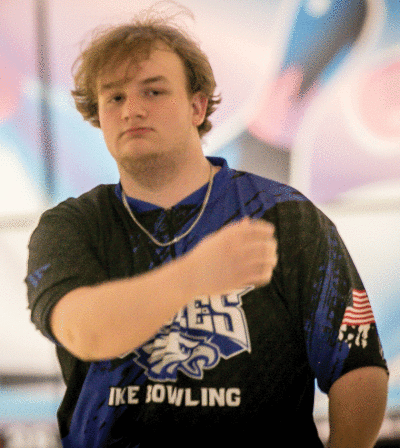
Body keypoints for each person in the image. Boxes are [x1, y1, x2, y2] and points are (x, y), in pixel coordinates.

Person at [26, 5, 389, 447]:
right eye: (114, 97)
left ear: (198, 106)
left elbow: (358, 367)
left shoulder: (283, 215)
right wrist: (196, 275)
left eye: (153, 92)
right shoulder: (72, 226)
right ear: (98, 115)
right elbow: (86, 333)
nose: (132, 110)